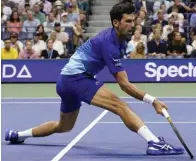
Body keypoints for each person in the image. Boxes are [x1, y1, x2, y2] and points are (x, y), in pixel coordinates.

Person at [5, 1, 184, 156]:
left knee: (64, 126)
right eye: (128, 21)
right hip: (76, 78)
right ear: (116, 22)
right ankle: (153, 142)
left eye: (133, 20)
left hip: (66, 81)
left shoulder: (120, 39)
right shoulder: (109, 43)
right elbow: (125, 85)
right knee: (120, 105)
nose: (132, 25)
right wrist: (153, 101)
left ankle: (17, 135)